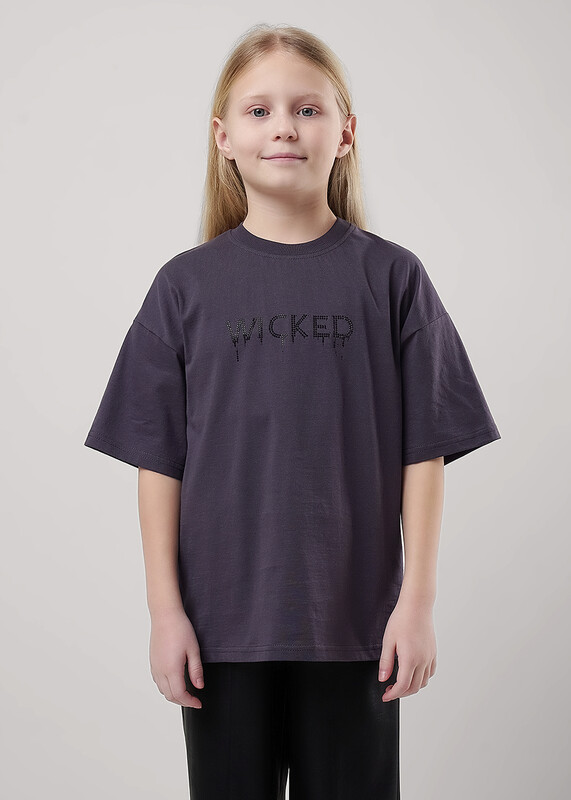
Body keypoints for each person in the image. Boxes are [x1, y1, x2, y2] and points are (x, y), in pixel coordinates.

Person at [84, 22, 501, 800]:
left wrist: (415, 605)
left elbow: (425, 452)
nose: (283, 127)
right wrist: (164, 614)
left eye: (307, 109)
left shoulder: (392, 279)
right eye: (259, 111)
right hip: (219, 634)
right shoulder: (183, 287)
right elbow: (157, 462)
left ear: (345, 133)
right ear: (223, 137)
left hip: (357, 630)